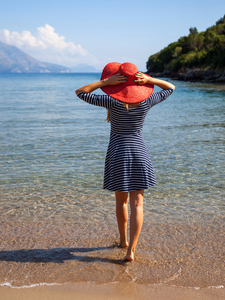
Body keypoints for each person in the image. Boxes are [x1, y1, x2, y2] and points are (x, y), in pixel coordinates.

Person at [75, 62, 175, 262]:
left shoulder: (111, 103)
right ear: (137, 83)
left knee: (122, 202)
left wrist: (105, 82)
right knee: (138, 204)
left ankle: (123, 242)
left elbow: (81, 92)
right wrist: (150, 80)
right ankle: (131, 251)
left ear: (117, 84)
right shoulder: (146, 101)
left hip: (118, 152)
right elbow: (171, 87)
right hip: (139, 152)